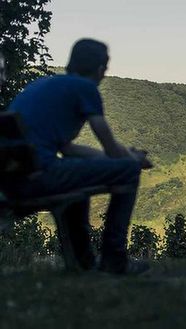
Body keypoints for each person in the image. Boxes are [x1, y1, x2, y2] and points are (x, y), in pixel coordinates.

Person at [6, 39, 153, 275]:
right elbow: (111, 148)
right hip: (38, 177)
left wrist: (121, 157)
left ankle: (84, 264)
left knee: (80, 172)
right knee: (128, 171)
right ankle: (114, 260)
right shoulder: (86, 88)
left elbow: (69, 149)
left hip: (13, 180)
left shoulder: (44, 85)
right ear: (100, 69)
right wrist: (131, 160)